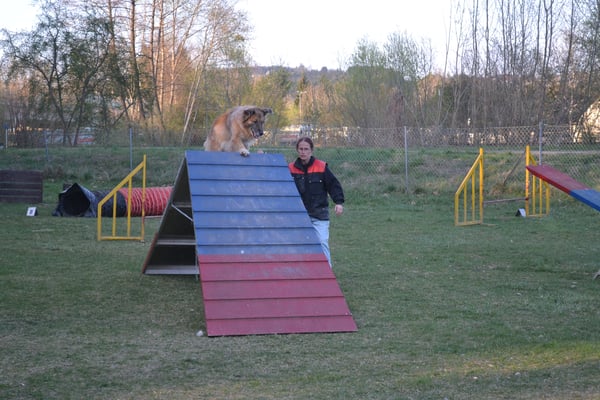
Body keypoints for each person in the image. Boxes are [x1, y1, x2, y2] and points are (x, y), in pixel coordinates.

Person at [288, 137, 344, 266]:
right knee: (299, 245)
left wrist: (339, 202)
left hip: (319, 214)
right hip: (299, 215)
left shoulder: (321, 166)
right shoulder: (290, 168)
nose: (303, 152)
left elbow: (333, 185)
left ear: (311, 150)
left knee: (322, 242)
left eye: (306, 149)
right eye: (301, 149)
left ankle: (327, 271)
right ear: (297, 150)